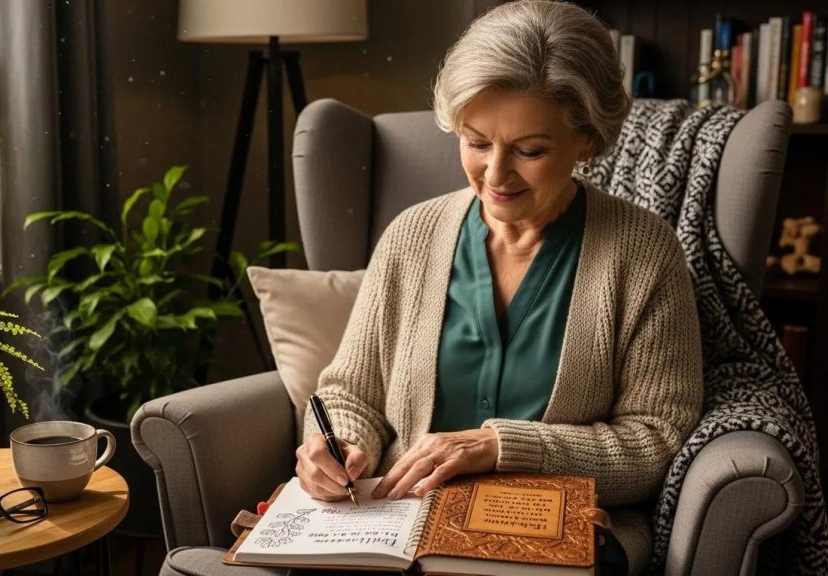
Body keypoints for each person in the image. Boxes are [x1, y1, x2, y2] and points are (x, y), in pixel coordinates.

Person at [294, 1, 704, 574]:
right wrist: (334, 446)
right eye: (476, 141)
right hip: (399, 528)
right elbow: (348, 393)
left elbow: (657, 440)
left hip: (559, 534)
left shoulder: (643, 252)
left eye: (529, 151)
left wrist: (500, 447)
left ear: (586, 139)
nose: (494, 174)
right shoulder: (411, 236)